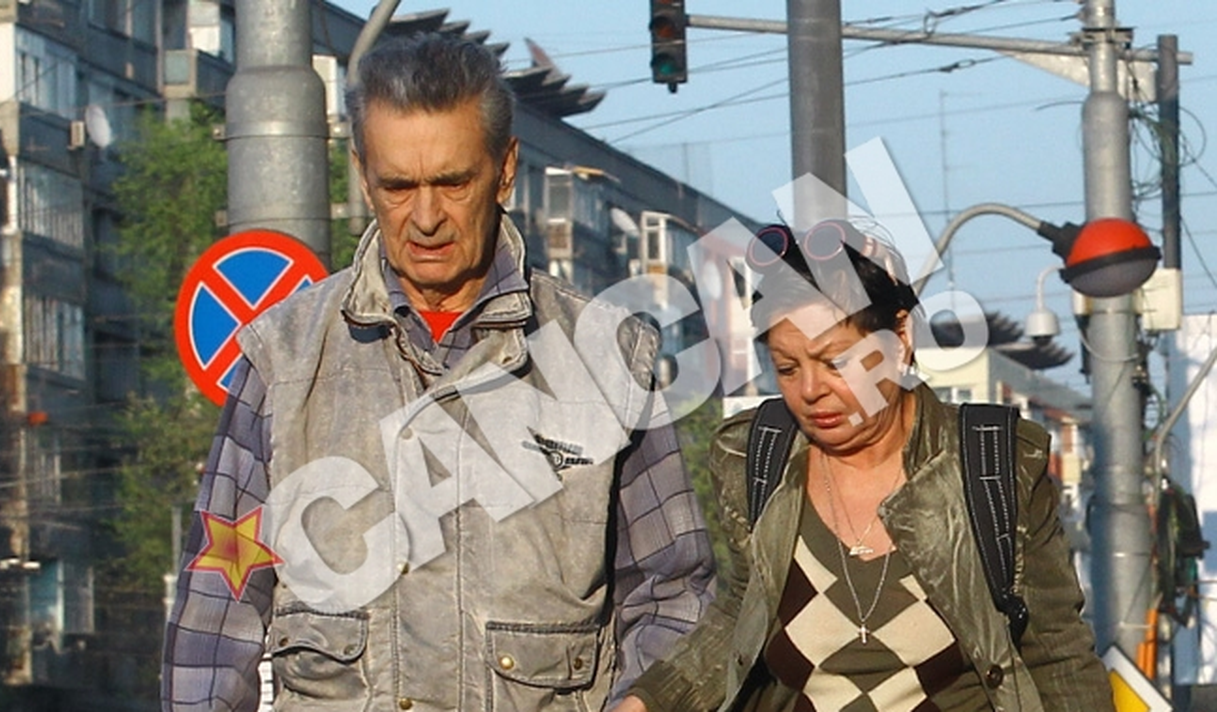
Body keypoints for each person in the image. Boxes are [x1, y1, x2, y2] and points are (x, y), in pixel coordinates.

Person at [161, 33, 715, 711]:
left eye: (453, 183)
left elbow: (674, 594)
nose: (425, 218)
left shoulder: (605, 361)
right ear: (363, 176)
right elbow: (216, 621)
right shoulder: (285, 358)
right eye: (398, 186)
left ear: (504, 171)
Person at [618, 220, 1113, 712]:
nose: (810, 390)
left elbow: (1058, 653)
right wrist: (647, 702)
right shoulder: (756, 459)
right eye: (787, 368)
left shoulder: (991, 466)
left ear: (900, 337)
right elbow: (741, 614)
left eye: (836, 362)